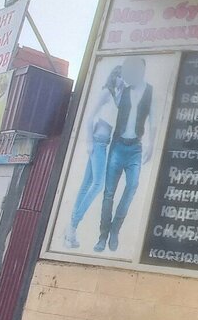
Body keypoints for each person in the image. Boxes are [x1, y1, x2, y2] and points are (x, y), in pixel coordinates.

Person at [97, 57, 157, 253]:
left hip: (135, 148)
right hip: (118, 145)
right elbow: (111, 106)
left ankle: (115, 230)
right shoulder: (124, 89)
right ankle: (103, 235)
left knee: (132, 187)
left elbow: (153, 120)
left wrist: (151, 144)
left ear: (143, 70)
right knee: (109, 193)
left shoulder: (150, 92)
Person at [64, 65, 123, 249]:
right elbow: (89, 118)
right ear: (115, 76)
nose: (123, 80)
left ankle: (70, 230)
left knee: (86, 184)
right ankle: (73, 224)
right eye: (121, 77)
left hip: (103, 143)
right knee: (98, 184)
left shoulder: (116, 95)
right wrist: (89, 141)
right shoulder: (106, 92)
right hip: (97, 142)